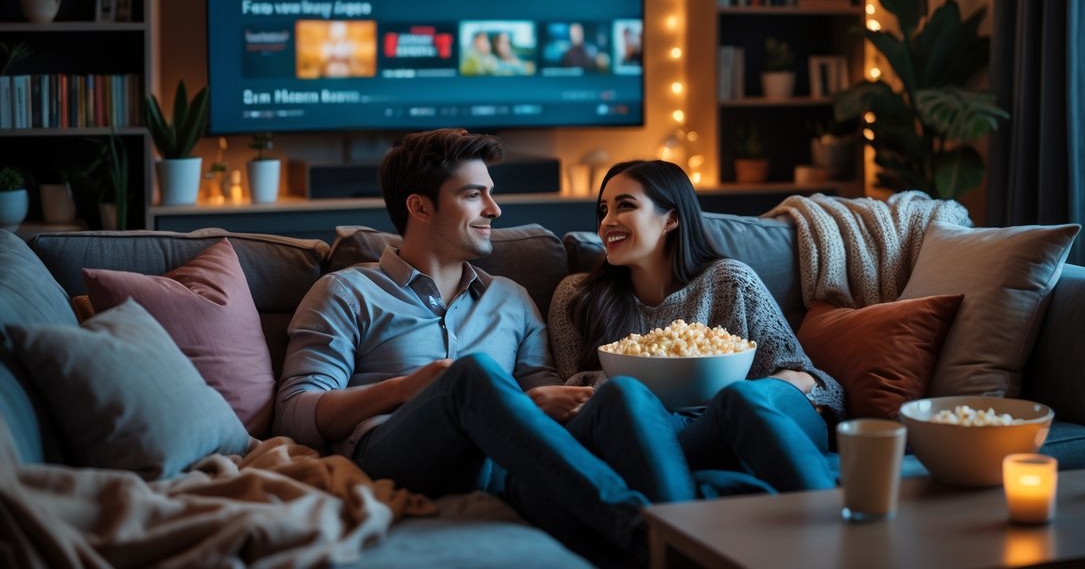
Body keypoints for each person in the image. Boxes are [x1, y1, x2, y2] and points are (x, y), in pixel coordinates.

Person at [274, 130, 696, 565]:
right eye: (474, 195)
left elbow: (542, 392)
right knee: (470, 374)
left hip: (503, 462)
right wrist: (409, 387)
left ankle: (691, 533)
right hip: (397, 454)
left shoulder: (512, 299)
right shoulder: (346, 292)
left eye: (490, 194)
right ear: (419, 206)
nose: (494, 209)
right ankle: (653, 535)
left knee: (622, 394)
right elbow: (294, 413)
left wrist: (544, 399)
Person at [547, 159, 845, 494]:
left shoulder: (730, 282)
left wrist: (741, 393)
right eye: (603, 210)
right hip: (655, 432)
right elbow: (570, 398)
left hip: (740, 419)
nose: (606, 223)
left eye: (625, 206)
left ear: (671, 219)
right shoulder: (577, 298)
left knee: (739, 399)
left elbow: (807, 377)